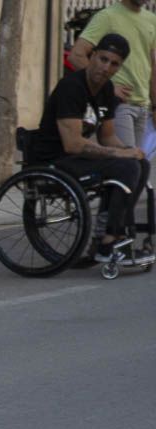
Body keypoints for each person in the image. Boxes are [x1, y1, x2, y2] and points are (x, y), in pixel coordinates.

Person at [34, 34, 151, 265]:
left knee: (140, 164)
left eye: (114, 63)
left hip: (77, 157)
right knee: (124, 166)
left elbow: (107, 136)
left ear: (119, 67)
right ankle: (108, 240)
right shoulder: (71, 87)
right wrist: (121, 154)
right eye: (103, 59)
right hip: (54, 159)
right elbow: (73, 144)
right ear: (93, 56)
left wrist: (130, 149)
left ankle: (110, 234)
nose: (106, 67)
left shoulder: (106, 89)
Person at [68, 0, 156, 150]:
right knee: (128, 163)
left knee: (140, 166)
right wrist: (108, 87)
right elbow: (76, 55)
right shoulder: (107, 16)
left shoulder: (151, 19)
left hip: (144, 106)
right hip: (118, 105)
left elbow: (152, 65)